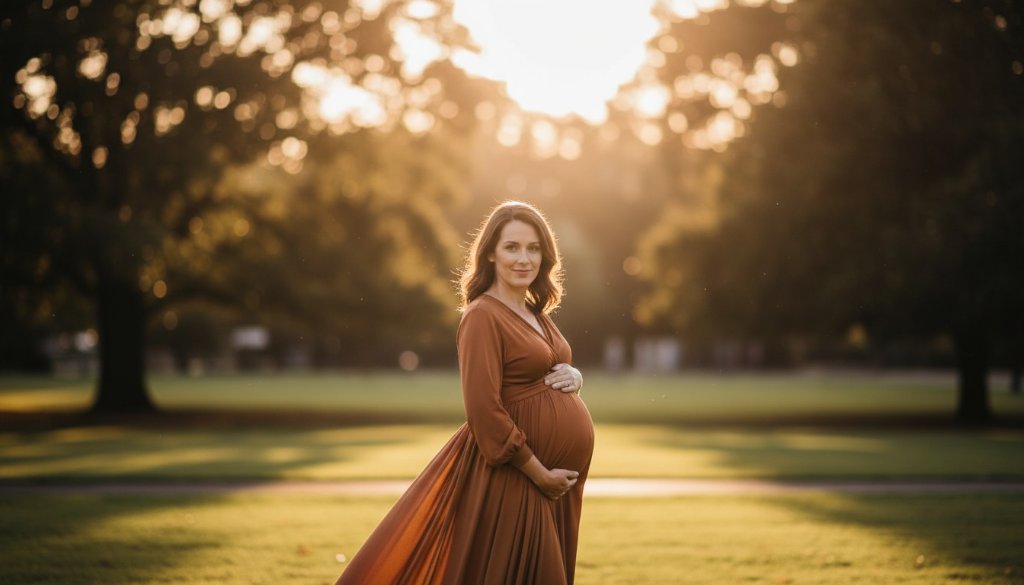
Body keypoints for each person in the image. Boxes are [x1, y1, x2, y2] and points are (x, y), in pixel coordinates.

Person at [334, 200, 594, 585]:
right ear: (490, 252)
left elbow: (545, 371)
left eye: (534, 248)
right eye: (512, 247)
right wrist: (539, 474)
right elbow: (483, 409)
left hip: (552, 485)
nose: (525, 258)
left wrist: (575, 375)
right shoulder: (482, 316)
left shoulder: (537, 315)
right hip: (521, 477)